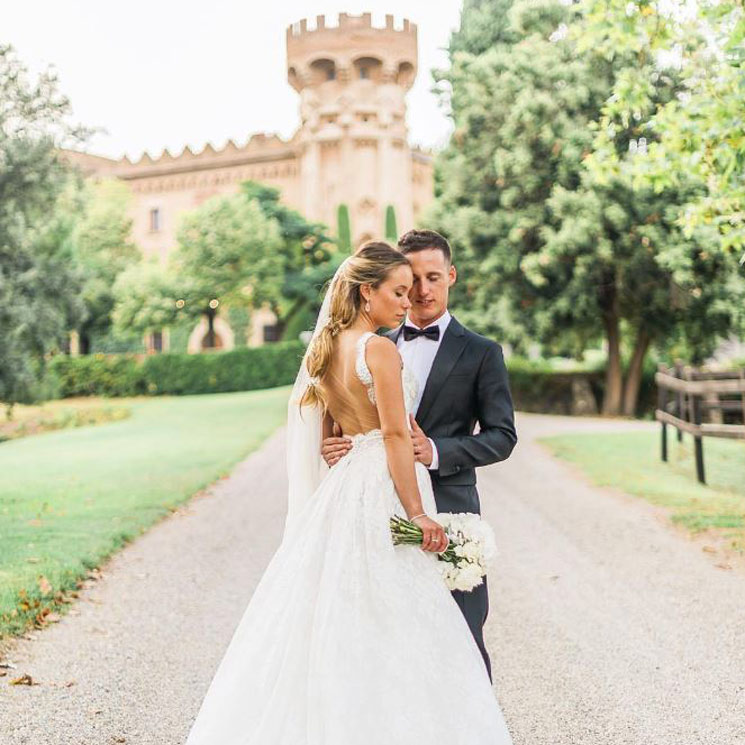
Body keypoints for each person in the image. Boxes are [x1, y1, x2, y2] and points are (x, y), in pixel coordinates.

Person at [184, 241, 514, 744]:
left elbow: (331, 416)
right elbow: (394, 434)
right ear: (368, 292)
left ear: (450, 275)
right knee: (408, 622)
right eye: (401, 290)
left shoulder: (327, 346)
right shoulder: (378, 347)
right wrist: (417, 511)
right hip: (389, 490)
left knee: (351, 616)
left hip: (354, 493)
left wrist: (347, 444)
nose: (411, 298)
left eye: (422, 284)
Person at [321, 229, 517, 681]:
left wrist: (435, 450)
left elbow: (502, 436)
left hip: (449, 507)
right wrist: (333, 443)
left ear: (451, 275)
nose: (422, 292)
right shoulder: (372, 341)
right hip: (378, 512)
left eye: (433, 277)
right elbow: (341, 415)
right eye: (411, 282)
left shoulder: (483, 353)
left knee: (463, 635)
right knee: (386, 635)